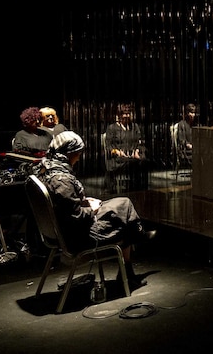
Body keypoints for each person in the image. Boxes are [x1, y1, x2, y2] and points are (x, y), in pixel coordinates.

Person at [35, 131, 155, 288]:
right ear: (69, 153)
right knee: (124, 215)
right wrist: (93, 209)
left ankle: (135, 240)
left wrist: (83, 201)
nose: (79, 158)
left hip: (62, 230)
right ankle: (135, 246)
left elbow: (63, 205)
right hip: (77, 235)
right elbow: (76, 217)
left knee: (122, 204)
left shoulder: (46, 169)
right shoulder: (61, 180)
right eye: (78, 154)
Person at [105, 103, 149, 193]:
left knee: (143, 161)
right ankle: (131, 188)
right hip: (118, 158)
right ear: (119, 115)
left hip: (133, 155)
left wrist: (136, 151)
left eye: (128, 113)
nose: (127, 116)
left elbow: (140, 141)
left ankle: (141, 189)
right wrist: (118, 152)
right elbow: (109, 146)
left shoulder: (134, 127)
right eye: (124, 114)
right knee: (131, 163)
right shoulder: (112, 128)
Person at [175, 102, 199, 167]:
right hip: (186, 151)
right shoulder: (181, 124)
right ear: (187, 113)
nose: (193, 115)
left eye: (194, 113)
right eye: (191, 113)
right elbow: (181, 140)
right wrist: (189, 146)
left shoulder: (195, 125)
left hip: (195, 149)